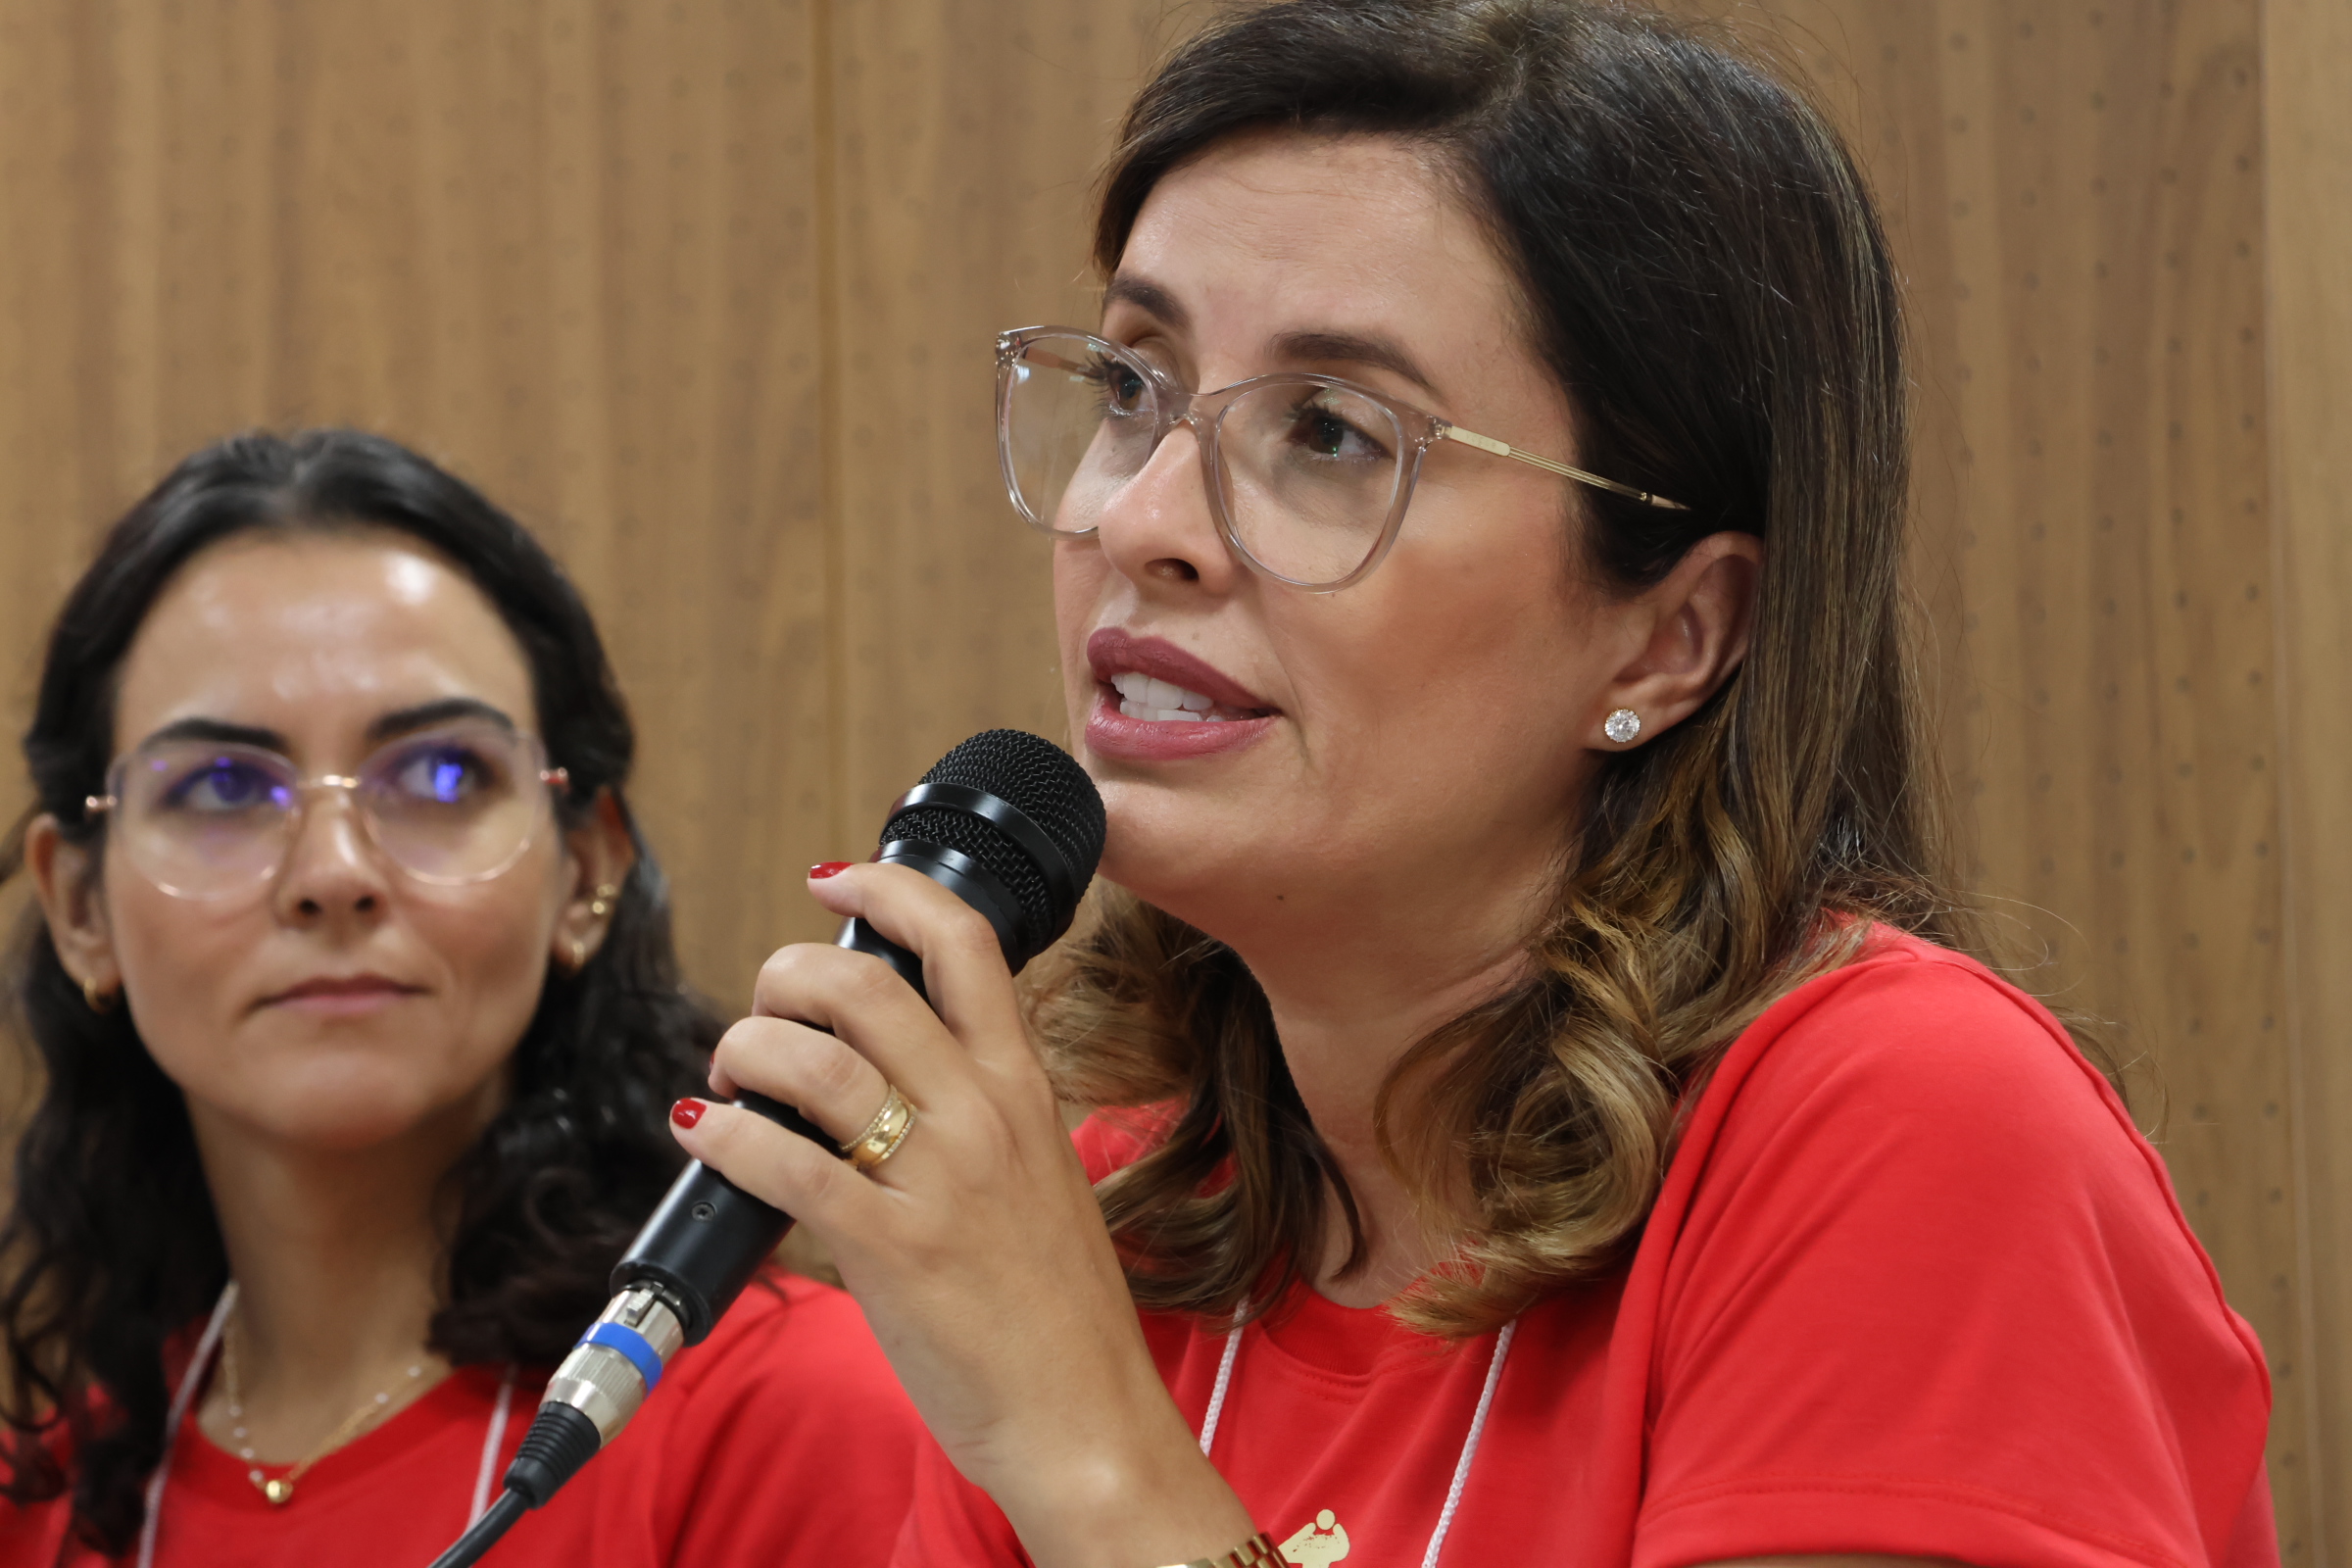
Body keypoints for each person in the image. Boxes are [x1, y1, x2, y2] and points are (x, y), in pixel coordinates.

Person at [670, 3, 2277, 1566]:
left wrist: (1092, 1460)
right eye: (1132, 391)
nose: (1142, 521)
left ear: (1672, 635)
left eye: (1328, 432)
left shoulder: (1905, 1131)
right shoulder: (1127, 1211)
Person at [0, 430, 917, 1566]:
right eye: (224, 785)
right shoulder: (48, 1500)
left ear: (585, 871)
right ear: (79, 905)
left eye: (441, 774)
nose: (334, 873)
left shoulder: (787, 1418)